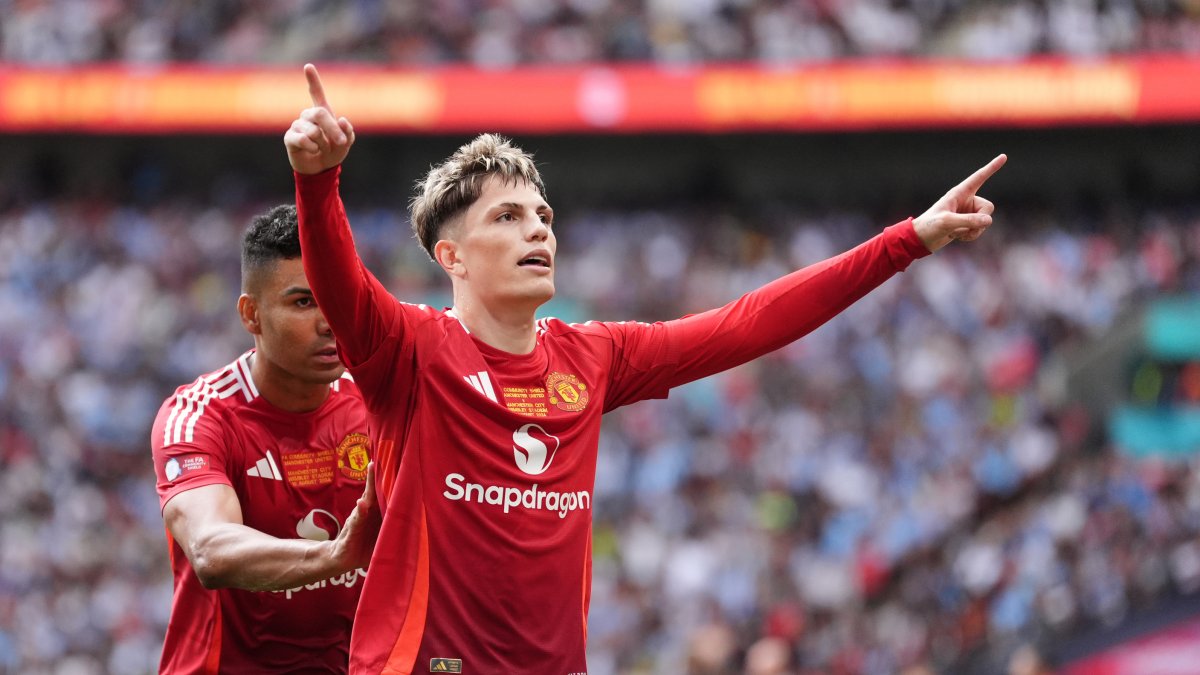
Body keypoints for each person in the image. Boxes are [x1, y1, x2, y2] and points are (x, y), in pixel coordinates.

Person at [284, 64, 1006, 674]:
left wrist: (906, 240)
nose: (538, 227)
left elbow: (748, 322)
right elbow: (340, 283)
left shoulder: (593, 356)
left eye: (543, 215)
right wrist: (318, 181)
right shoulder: (408, 349)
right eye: (507, 217)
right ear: (453, 257)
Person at [150, 204, 380, 674]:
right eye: (302, 302)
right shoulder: (200, 415)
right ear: (251, 314)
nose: (329, 321)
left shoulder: (379, 401)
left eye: (336, 297)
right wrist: (334, 555)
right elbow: (211, 550)